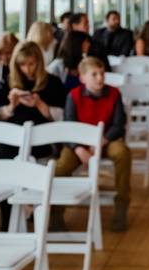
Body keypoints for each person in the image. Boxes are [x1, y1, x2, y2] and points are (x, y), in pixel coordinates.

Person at [56, 57, 132, 232]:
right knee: (62, 166)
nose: (100, 78)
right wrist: (78, 148)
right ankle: (56, 212)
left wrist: (101, 141)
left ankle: (121, 206)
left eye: (102, 73)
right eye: (94, 74)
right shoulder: (73, 96)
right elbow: (69, 127)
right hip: (80, 144)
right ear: (83, 78)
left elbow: (119, 125)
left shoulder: (114, 94)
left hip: (106, 141)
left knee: (123, 153)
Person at [0, 41, 66, 158]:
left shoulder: (53, 82)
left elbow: (61, 118)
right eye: (22, 65)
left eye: (31, 64)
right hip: (12, 137)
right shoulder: (7, 81)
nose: (27, 69)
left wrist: (39, 103)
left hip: (42, 136)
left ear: (39, 62)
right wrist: (11, 106)